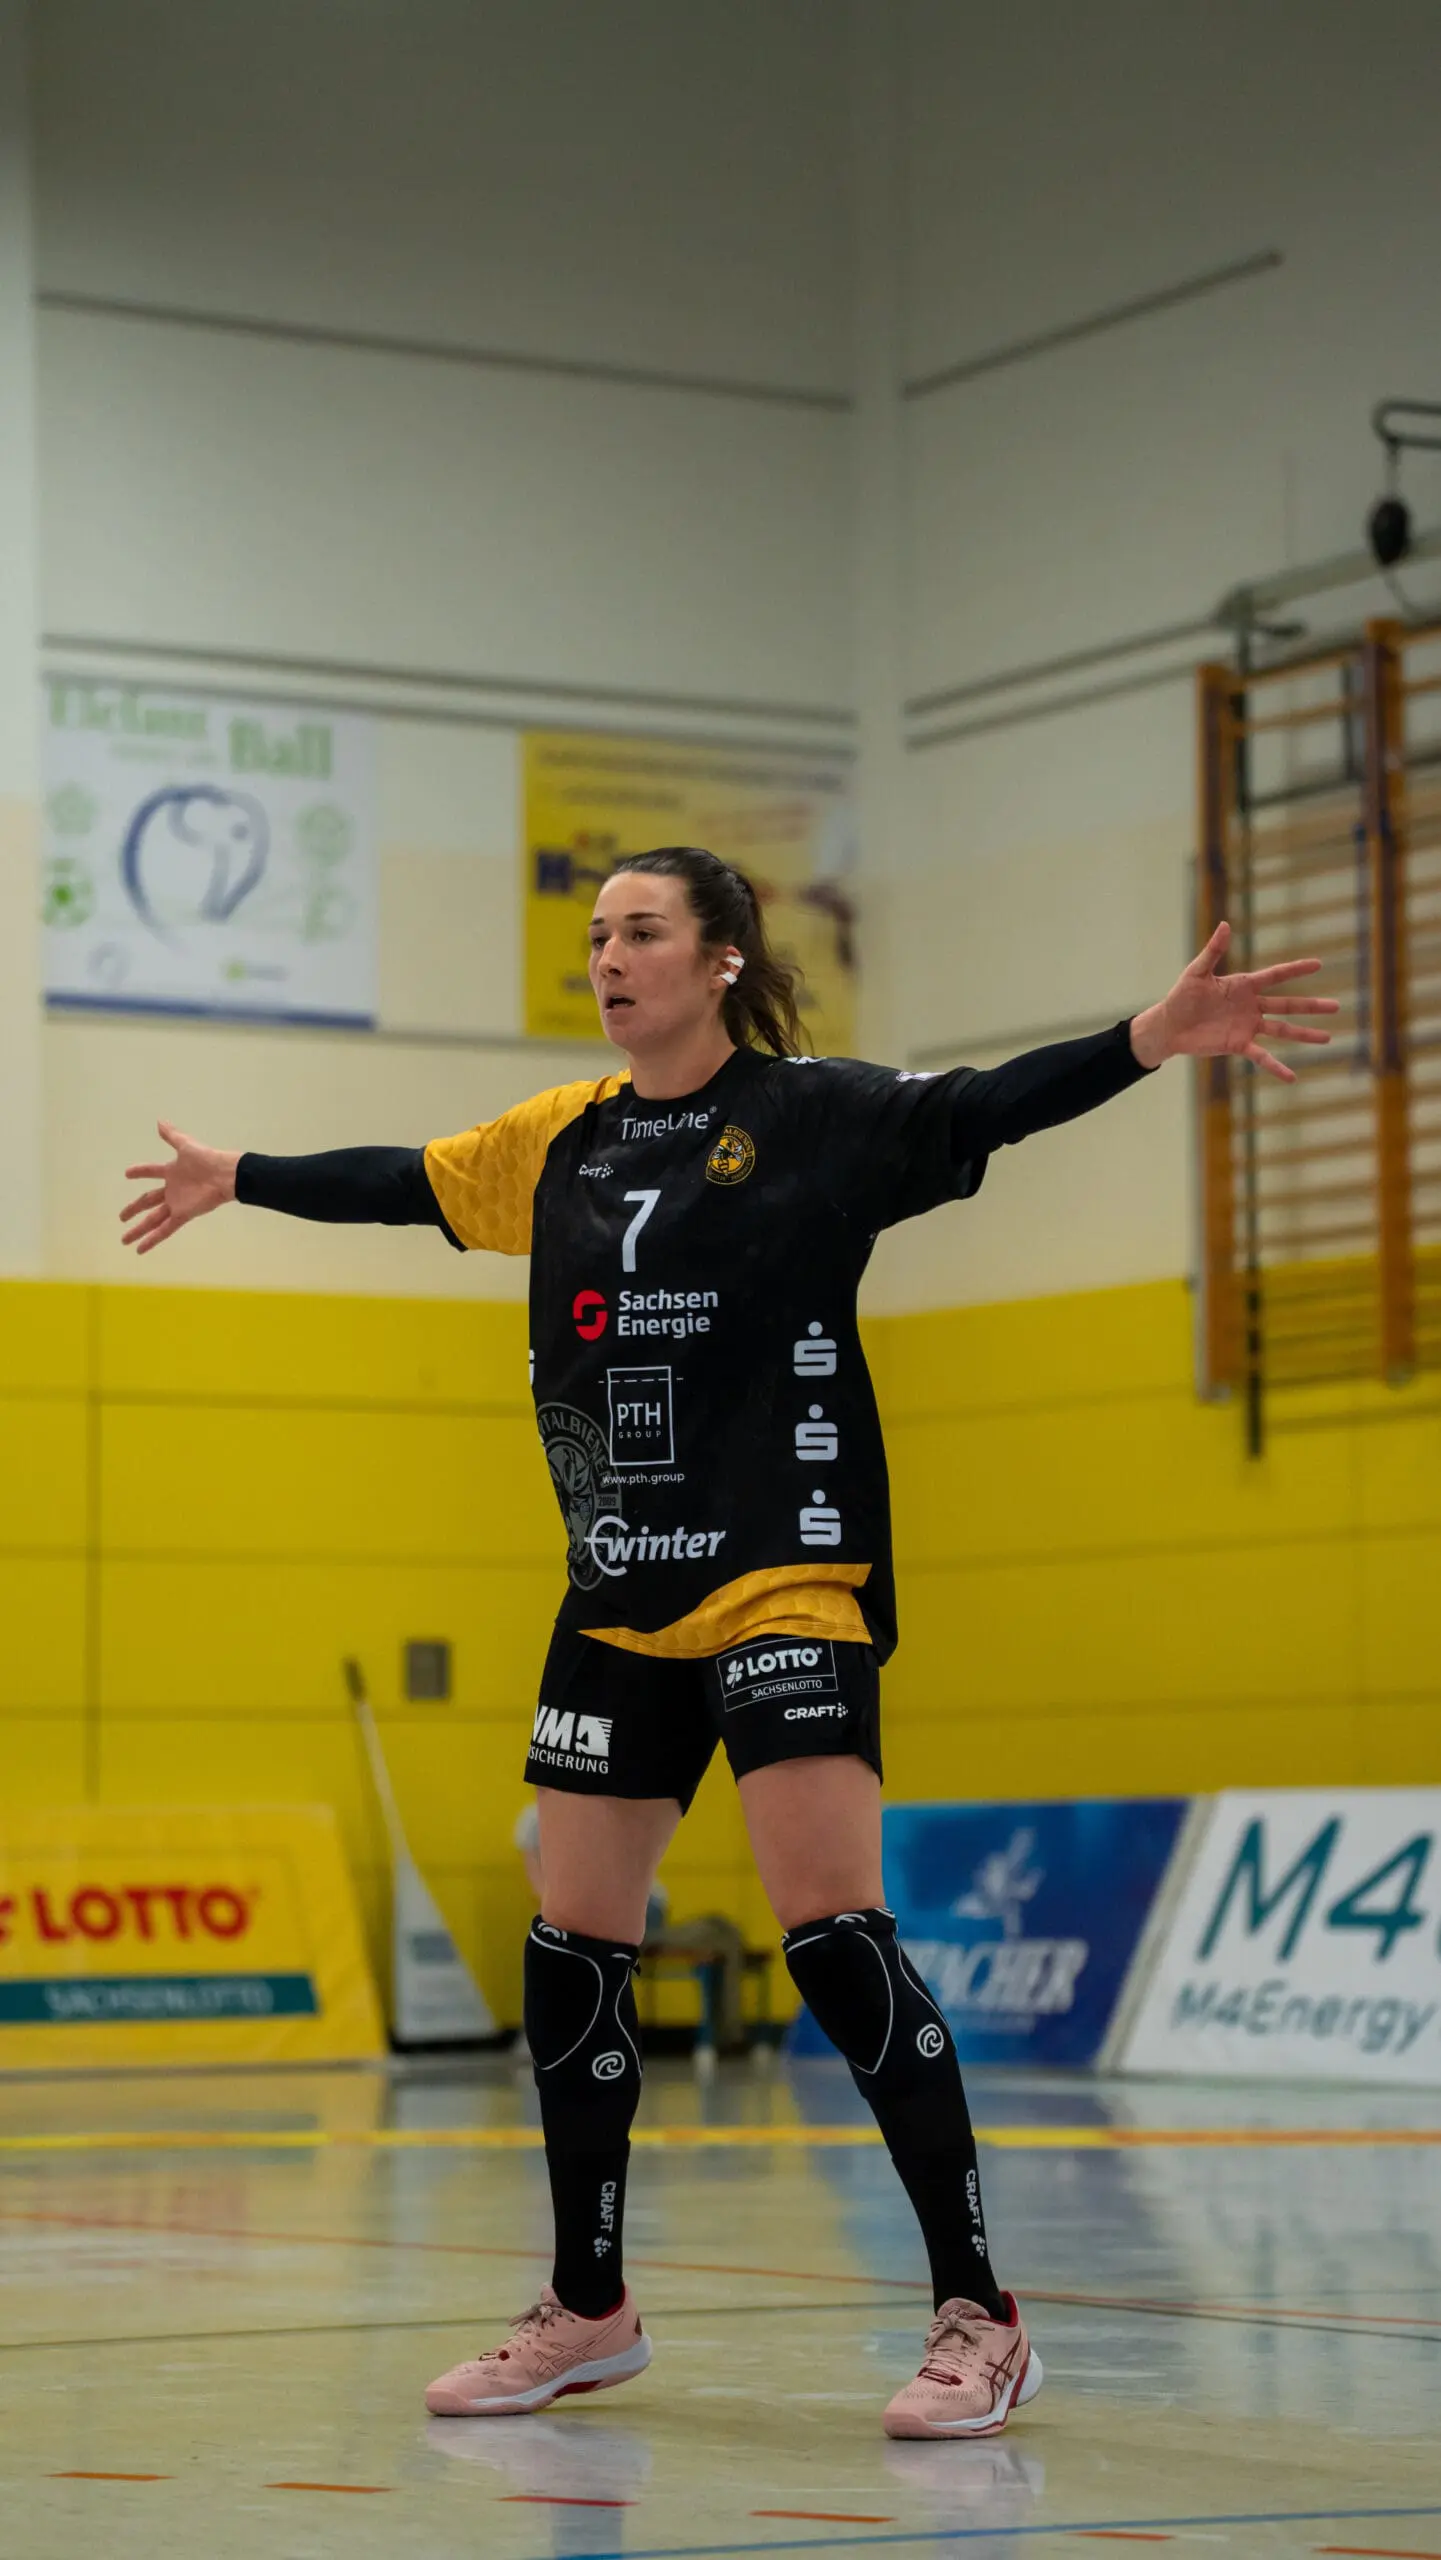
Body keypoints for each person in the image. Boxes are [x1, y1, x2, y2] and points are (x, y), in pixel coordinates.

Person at [120, 848, 1335, 2438]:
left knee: (832, 1936)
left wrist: (1146, 1040)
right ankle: (589, 2307)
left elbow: (984, 1106)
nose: (610, 959)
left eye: (642, 933)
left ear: (721, 959)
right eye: (598, 936)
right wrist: (242, 1173)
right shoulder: (558, 1138)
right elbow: (408, 1179)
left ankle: (980, 2316)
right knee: (573, 1954)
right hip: (620, 1589)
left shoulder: (816, 1115)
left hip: (785, 1579)